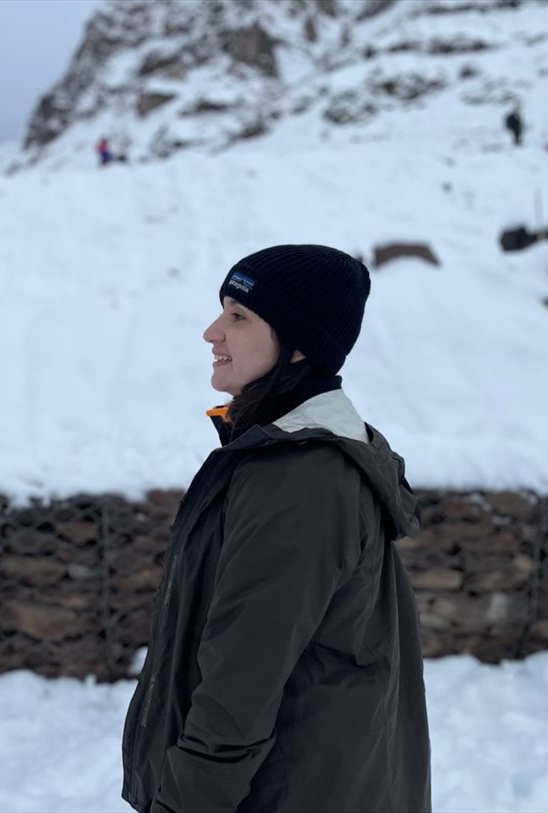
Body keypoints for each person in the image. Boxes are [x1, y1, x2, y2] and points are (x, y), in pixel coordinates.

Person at [122, 244, 431, 813]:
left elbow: (241, 681)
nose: (212, 332)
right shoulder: (287, 460)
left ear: (299, 345)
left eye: (238, 316)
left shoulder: (302, 478)